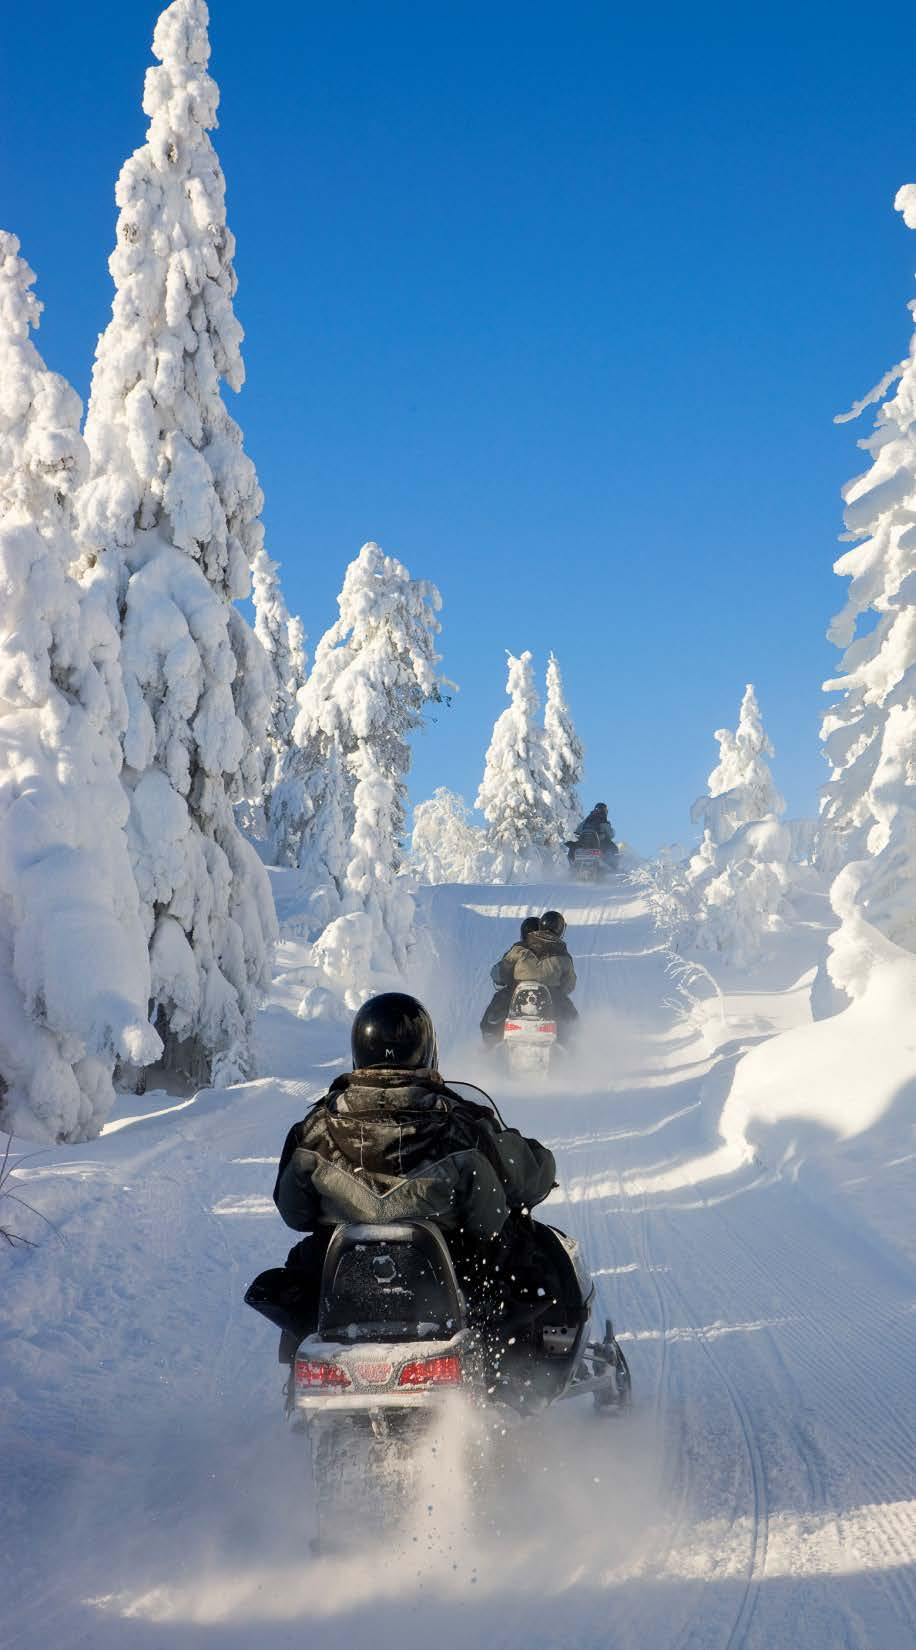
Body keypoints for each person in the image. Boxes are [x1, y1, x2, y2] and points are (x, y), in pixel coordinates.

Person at [252, 992, 558, 1359]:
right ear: (425, 1049)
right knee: (515, 1268)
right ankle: (511, 1374)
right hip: (445, 1278)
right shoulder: (461, 1127)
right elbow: (488, 1220)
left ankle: (303, 1370)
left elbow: (294, 1213)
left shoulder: (314, 1129)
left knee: (300, 1276)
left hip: (343, 1280)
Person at [512, 909, 579, 1042]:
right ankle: (571, 1047)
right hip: (551, 995)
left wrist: (509, 981)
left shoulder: (520, 948)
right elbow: (570, 983)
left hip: (518, 992)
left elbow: (503, 969)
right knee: (572, 1020)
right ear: (560, 929)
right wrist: (560, 991)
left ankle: (489, 1043)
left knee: (498, 1007)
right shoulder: (563, 954)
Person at [479, 915, 541, 1043]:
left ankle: (490, 1040)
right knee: (566, 1015)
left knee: (494, 1013)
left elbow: (501, 971)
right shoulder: (552, 951)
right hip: (545, 996)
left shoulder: (517, 950)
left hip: (517, 991)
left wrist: (504, 977)